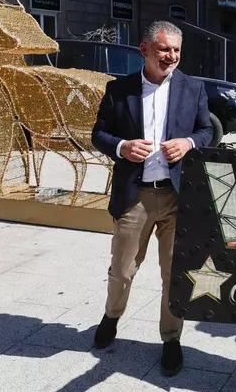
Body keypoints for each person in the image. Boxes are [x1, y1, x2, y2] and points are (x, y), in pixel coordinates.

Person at [90, 20, 213, 377]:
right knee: (122, 269)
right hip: (135, 197)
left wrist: (188, 143)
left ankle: (171, 338)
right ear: (144, 50)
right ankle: (111, 316)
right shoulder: (119, 90)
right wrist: (121, 147)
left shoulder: (193, 88)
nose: (171, 56)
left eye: (176, 50)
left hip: (178, 197)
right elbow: (98, 134)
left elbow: (207, 131)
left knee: (174, 275)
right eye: (164, 49)